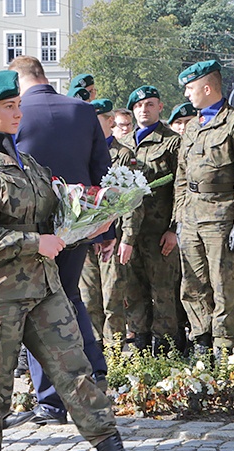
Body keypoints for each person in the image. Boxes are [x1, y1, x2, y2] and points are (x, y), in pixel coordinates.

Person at [0, 69, 165, 451]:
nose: (17, 113)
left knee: (77, 373)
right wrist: (33, 243)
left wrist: (93, 222)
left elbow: (57, 212)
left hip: (44, 290)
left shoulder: (27, 163)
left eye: (17, 105)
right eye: (8, 108)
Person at [3, 55, 111, 427]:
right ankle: (95, 372)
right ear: (44, 76)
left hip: (33, 229)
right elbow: (103, 170)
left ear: (18, 81)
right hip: (79, 224)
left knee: (37, 307)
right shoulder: (83, 110)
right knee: (70, 296)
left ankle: (50, 399)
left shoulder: (15, 112)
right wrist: (105, 228)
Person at [176, 60, 234, 355]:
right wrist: (179, 217)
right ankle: (201, 342)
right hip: (191, 217)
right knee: (192, 285)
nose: (187, 95)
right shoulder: (191, 127)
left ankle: (224, 348)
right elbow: (181, 176)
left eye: (190, 88)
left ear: (207, 87)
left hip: (221, 217)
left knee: (224, 287)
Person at [117, 86, 183, 355]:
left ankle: (167, 349)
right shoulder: (124, 146)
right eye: (139, 105)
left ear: (160, 107)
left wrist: (174, 228)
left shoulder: (171, 142)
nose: (145, 109)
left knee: (164, 291)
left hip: (159, 231)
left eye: (150, 104)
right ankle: (141, 344)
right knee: (133, 290)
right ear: (133, 110)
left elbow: (181, 187)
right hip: (129, 234)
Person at [79, 98, 133, 348]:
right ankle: (94, 350)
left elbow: (131, 201)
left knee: (112, 297)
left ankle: (115, 353)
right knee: (88, 297)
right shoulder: (81, 151)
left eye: (95, 120)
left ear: (109, 122)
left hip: (113, 234)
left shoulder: (123, 155)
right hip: (86, 235)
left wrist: (127, 237)